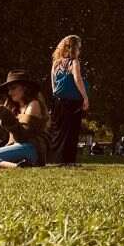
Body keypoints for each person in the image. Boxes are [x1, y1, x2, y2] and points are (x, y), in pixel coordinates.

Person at [0, 70, 49, 168]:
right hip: (16, 148)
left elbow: (23, 137)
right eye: (8, 90)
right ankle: (15, 166)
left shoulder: (33, 104)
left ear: (25, 88)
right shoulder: (15, 107)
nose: (9, 92)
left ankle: (13, 166)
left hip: (30, 149)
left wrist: (6, 115)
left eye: (13, 88)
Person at [46, 35, 89, 165]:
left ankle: (55, 159)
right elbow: (77, 79)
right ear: (74, 48)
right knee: (72, 130)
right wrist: (85, 97)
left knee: (58, 131)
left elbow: (53, 83)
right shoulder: (74, 62)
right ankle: (69, 160)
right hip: (72, 101)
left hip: (59, 100)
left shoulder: (56, 63)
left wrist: (56, 95)